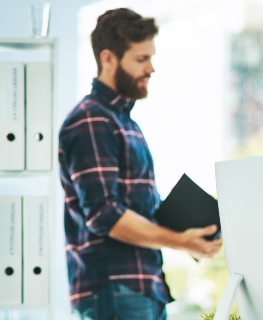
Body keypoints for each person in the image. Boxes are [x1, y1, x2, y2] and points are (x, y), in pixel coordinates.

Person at [59, 8, 222, 320]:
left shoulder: (124, 122)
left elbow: (138, 208)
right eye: (141, 59)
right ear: (108, 59)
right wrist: (178, 240)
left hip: (141, 288)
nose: (151, 68)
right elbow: (104, 214)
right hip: (114, 290)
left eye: (151, 57)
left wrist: (191, 236)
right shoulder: (91, 120)